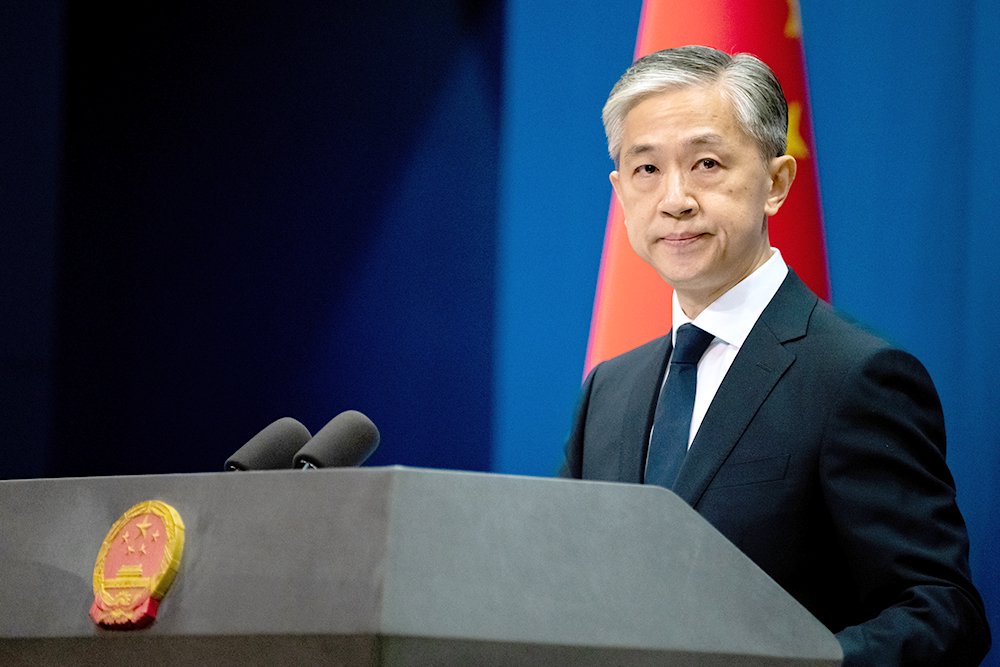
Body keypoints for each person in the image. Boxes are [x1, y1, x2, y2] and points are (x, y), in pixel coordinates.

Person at [559, 45, 990, 666]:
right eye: (646, 169)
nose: (675, 198)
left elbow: (942, 612)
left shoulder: (855, 377)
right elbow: (569, 588)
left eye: (706, 163)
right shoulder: (609, 389)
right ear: (620, 191)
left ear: (777, 183)